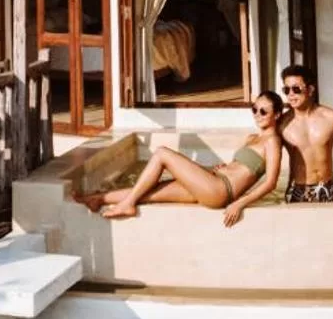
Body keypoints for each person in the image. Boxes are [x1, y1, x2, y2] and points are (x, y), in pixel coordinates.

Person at [89, 92, 285, 226]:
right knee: (151, 191)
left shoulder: (273, 142)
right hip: (213, 180)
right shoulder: (253, 137)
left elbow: (270, 183)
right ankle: (96, 199)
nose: (257, 115)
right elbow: (241, 169)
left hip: (220, 190)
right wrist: (219, 168)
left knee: (161, 154)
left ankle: (127, 204)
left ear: (276, 114)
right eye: (254, 109)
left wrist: (239, 203)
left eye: (263, 112)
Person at [276, 64, 333, 212]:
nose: (290, 94)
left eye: (296, 89)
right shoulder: (282, 124)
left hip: (330, 188)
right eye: (286, 90)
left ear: (310, 90)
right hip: (298, 191)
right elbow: (263, 151)